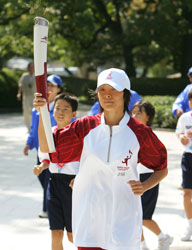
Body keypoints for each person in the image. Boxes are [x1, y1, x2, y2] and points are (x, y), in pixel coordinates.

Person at [34, 68, 168, 250]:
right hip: (90, 216)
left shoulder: (140, 132)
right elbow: (47, 149)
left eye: (114, 89)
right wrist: (42, 113)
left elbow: (161, 167)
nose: (107, 95)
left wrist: (145, 185)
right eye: (102, 90)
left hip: (123, 215)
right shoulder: (85, 126)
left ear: (125, 93)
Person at [34, 93, 79, 250]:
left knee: (73, 236)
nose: (60, 112)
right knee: (56, 232)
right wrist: (42, 166)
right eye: (57, 108)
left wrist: (81, 177)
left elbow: (88, 161)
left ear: (74, 114)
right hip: (53, 184)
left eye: (65, 109)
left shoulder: (78, 134)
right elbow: (46, 156)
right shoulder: (50, 132)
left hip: (73, 186)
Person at [132, 100, 173, 250]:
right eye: (133, 112)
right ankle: (142, 245)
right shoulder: (129, 132)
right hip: (134, 177)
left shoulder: (148, 135)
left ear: (148, 117)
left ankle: (163, 237)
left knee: (143, 217)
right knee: (134, 215)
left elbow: (162, 165)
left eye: (139, 112)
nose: (134, 115)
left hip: (148, 178)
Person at [24, 74, 63, 218]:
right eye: (47, 85)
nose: (48, 88)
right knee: (42, 178)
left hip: (55, 150)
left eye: (52, 85)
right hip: (41, 150)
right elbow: (34, 128)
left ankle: (47, 209)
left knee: (49, 179)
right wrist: (29, 143)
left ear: (58, 89)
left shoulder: (62, 108)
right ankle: (50, 201)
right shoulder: (36, 110)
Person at [176, 88, 192, 241]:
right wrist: (182, 137)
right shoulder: (185, 118)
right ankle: (189, 224)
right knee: (187, 193)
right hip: (188, 157)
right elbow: (179, 132)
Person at [17, 62, 36, 131]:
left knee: (33, 112)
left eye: (33, 67)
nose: (31, 69)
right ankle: (28, 127)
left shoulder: (36, 76)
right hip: (26, 96)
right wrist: (19, 93)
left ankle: (33, 126)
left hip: (34, 97)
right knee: (26, 112)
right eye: (30, 67)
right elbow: (20, 85)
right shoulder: (24, 76)